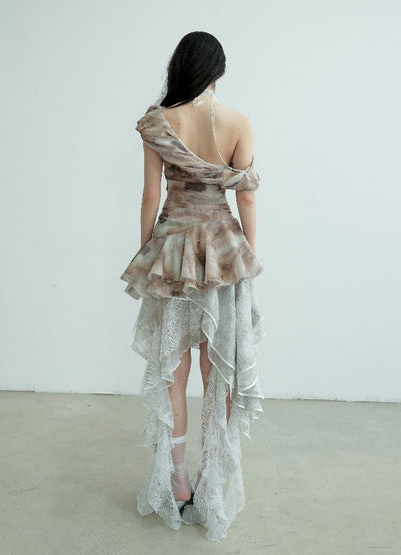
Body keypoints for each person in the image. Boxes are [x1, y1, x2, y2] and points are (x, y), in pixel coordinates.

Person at [119, 31, 266, 542]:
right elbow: (246, 198)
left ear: (179, 67)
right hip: (223, 253)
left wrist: (146, 254)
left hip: (173, 251)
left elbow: (148, 196)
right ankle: (210, 479)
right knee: (216, 370)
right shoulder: (239, 123)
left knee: (173, 370)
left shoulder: (159, 121)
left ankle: (178, 478)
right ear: (217, 72)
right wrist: (250, 254)